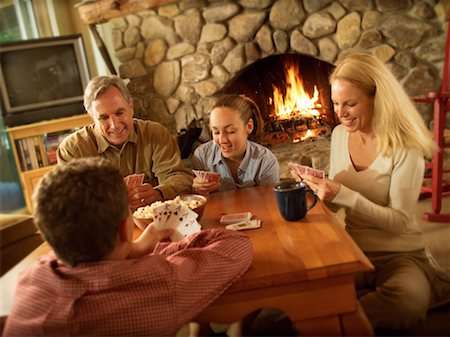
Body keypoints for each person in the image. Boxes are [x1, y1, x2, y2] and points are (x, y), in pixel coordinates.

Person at [3, 158, 253, 336]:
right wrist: (138, 249)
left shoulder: (32, 277)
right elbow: (237, 246)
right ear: (125, 229)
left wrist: (131, 249)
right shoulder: (159, 281)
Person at [293, 53, 450, 332]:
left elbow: (398, 221)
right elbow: (335, 206)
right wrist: (316, 193)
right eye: (336, 103)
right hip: (353, 251)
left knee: (406, 304)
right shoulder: (340, 135)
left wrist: (343, 193)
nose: (340, 113)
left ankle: (329, 325)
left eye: (350, 104)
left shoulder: (405, 147)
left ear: (377, 98)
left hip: (400, 257)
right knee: (302, 295)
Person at [57, 75, 193, 211]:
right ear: (92, 117)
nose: (115, 125)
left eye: (120, 113)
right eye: (103, 118)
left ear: (131, 107)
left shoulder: (156, 134)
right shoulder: (72, 150)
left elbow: (179, 177)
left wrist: (159, 193)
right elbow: (71, 203)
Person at [191, 94, 280, 194]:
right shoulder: (202, 156)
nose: (222, 140)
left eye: (230, 131)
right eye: (216, 132)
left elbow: (269, 203)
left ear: (249, 127)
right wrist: (197, 189)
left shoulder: (265, 161)